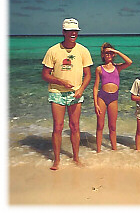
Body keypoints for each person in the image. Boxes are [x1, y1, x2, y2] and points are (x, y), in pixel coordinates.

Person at [42, 18, 93, 170]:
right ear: (63, 32)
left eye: (75, 31)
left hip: (76, 93)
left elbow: (88, 75)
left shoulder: (83, 50)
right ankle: (56, 160)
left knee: (75, 126)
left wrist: (81, 89)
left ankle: (76, 158)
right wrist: (61, 82)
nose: (73, 33)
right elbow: (45, 75)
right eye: (70, 30)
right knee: (58, 127)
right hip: (57, 92)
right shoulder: (53, 50)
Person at [93, 42, 132, 153]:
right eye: (106, 53)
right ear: (102, 55)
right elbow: (96, 87)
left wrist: (117, 52)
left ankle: (114, 150)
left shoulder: (117, 67)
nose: (109, 55)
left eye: (111, 53)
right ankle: (98, 151)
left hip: (113, 98)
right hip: (102, 97)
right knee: (100, 125)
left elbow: (129, 62)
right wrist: (95, 104)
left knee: (113, 127)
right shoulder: (99, 69)